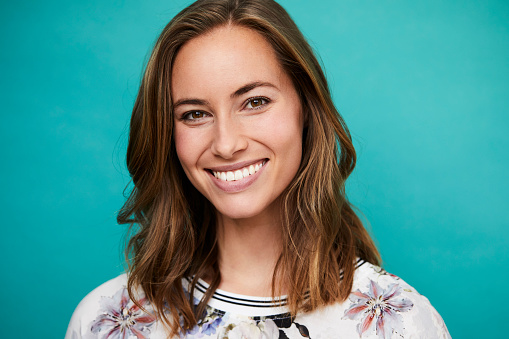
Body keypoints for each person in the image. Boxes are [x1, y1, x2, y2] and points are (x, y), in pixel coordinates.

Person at [66, 0, 451, 338]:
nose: (226, 144)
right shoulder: (106, 321)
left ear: (305, 109)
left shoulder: (399, 322)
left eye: (255, 102)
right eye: (195, 114)